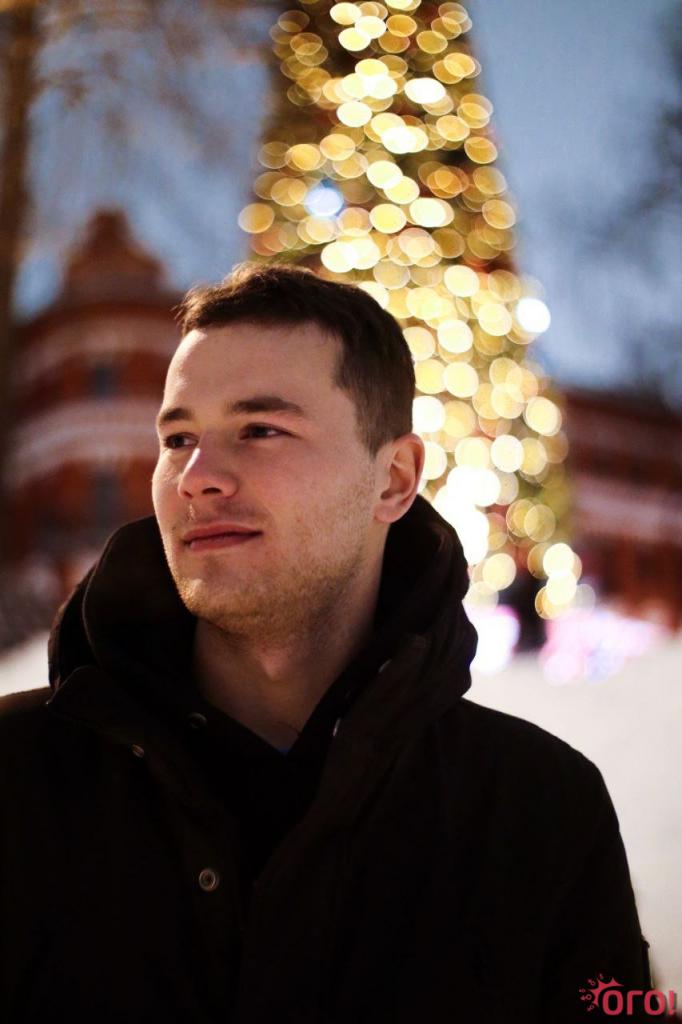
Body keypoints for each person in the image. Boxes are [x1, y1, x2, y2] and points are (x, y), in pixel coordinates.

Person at [0, 264, 652, 1023]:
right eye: (178, 438)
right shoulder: (15, 781)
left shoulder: (539, 810)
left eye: (261, 430)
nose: (196, 477)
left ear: (394, 479)